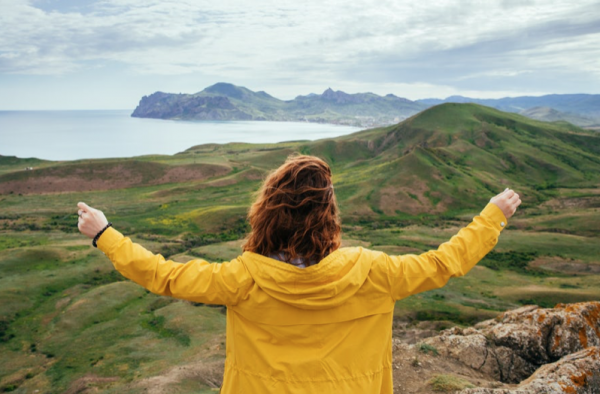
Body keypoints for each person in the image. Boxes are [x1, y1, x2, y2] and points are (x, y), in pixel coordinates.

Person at [77, 154, 521, 394]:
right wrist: (492, 217)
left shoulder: (243, 279)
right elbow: (445, 262)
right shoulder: (373, 272)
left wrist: (105, 234)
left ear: (267, 215)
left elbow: (165, 276)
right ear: (329, 216)